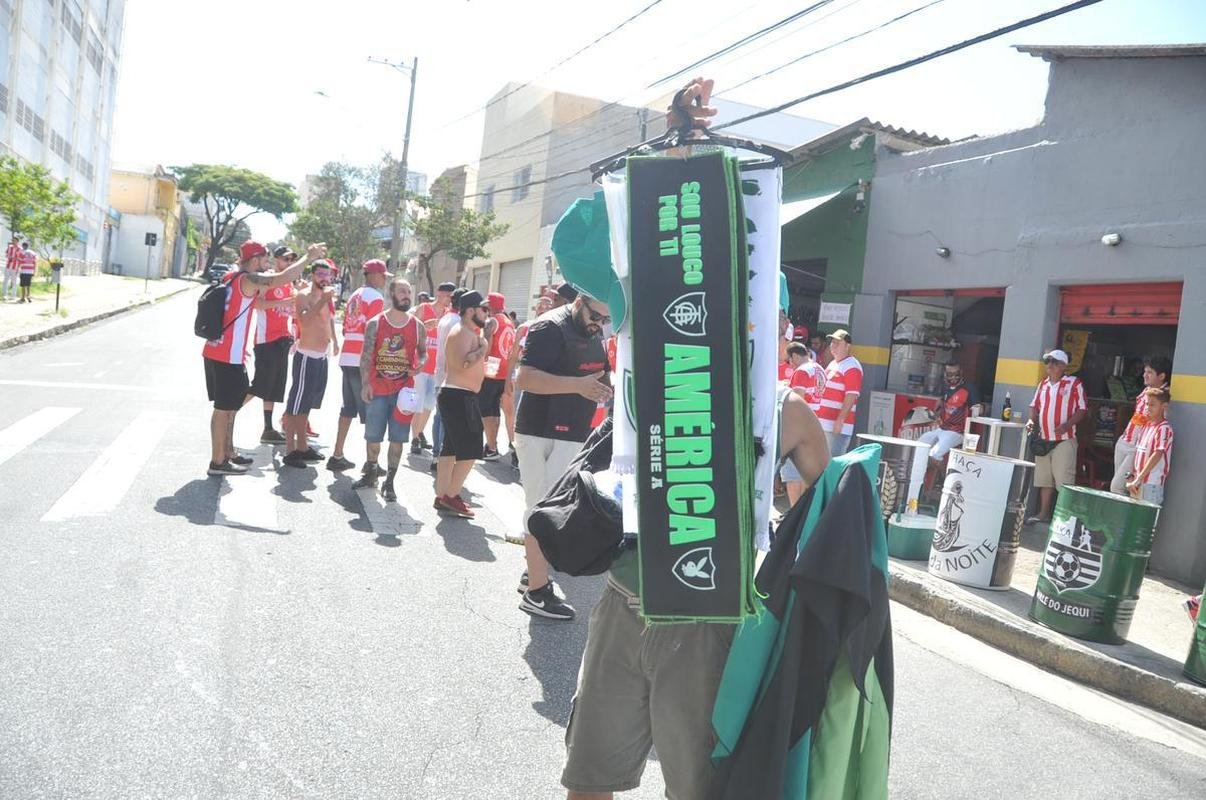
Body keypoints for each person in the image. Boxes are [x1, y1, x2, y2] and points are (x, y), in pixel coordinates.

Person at [514, 293, 612, 621]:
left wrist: (605, 390)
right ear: (579, 302)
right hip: (539, 431)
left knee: (550, 507)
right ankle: (536, 593)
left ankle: (535, 572)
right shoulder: (548, 327)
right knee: (540, 508)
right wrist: (577, 386)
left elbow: (599, 376)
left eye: (604, 320)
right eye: (595, 316)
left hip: (572, 432)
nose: (599, 325)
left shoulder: (595, 332)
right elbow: (524, 379)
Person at [203, 240, 324, 476]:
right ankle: (218, 462)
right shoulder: (247, 279)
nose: (267, 263)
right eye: (264, 259)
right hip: (226, 354)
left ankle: (227, 452)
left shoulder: (231, 276)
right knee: (223, 409)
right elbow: (280, 278)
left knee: (228, 408)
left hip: (223, 351)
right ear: (255, 259)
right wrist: (307, 258)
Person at [353, 277, 423, 502]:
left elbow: (423, 352)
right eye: (402, 291)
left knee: (398, 439)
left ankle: (390, 482)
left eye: (409, 291)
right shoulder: (376, 322)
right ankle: (371, 472)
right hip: (378, 389)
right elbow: (365, 356)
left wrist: (420, 363)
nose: (406, 295)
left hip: (404, 393)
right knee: (373, 436)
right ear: (391, 295)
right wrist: (365, 383)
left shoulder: (416, 325)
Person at [434, 290, 492, 518]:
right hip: (459, 395)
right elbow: (462, 365)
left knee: (450, 449)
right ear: (470, 311)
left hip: (461, 395)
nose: (486, 313)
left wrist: (481, 345)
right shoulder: (461, 332)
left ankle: (443, 495)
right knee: (471, 450)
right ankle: (451, 494)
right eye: (483, 309)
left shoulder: (471, 332)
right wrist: (483, 349)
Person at [328, 259, 389, 471]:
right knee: (372, 413)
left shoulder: (355, 295)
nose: (384, 279)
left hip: (347, 357)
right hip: (362, 360)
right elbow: (375, 332)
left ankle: (337, 453)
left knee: (348, 409)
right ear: (373, 275)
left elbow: (346, 328)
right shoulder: (376, 298)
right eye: (383, 275)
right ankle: (371, 464)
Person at [281, 259, 339, 469]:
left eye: (327, 274)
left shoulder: (327, 295)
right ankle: (290, 449)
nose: (324, 278)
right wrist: (323, 300)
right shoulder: (304, 295)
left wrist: (335, 340)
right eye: (320, 274)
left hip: (321, 355)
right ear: (313, 275)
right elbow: (304, 320)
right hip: (306, 356)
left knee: (308, 403)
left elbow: (328, 320)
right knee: (296, 403)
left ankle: (303, 446)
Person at [1025, 349, 1087, 524]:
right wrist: (1031, 421)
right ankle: (1043, 514)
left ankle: (1064, 519)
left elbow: (1082, 409)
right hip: (1044, 439)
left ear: (1062, 365)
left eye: (1053, 362)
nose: (1049, 366)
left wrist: (1067, 424)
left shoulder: (1074, 384)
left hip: (1064, 440)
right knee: (1045, 481)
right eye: (1047, 362)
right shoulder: (1043, 384)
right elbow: (1034, 406)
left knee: (1064, 482)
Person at [246, 246, 298, 444]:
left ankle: (268, 428)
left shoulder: (289, 284)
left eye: (292, 259)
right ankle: (229, 414)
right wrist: (283, 301)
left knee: (274, 388)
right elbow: (257, 304)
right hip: (266, 339)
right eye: (286, 259)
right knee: (260, 385)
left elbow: (289, 310)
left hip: (282, 340)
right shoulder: (268, 278)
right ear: (276, 260)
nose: (289, 263)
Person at [1111, 356, 1172, 495]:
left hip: (1137, 448)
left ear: (1162, 376)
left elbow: (1160, 422)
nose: (1144, 375)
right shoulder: (1146, 390)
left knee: (1117, 487)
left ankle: (1121, 516)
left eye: (1149, 372)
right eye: (1145, 371)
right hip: (1125, 441)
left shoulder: (1164, 395)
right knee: (1126, 484)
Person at [411, 282, 457, 455]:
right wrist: (423, 325)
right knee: (418, 404)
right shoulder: (424, 308)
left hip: (436, 369)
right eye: (447, 296)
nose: (448, 300)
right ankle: (415, 438)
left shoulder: (448, 314)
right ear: (439, 293)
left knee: (429, 405)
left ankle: (419, 433)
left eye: (451, 297)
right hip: (421, 364)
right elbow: (410, 329)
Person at [781, 341, 826, 505]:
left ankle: (794, 512)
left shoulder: (800, 371)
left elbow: (798, 401)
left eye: (789, 360)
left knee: (792, 475)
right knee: (806, 474)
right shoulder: (819, 369)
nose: (790, 365)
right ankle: (802, 513)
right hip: (816, 425)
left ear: (794, 356)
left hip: (798, 428)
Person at [917, 363, 980, 464]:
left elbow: (978, 408)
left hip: (958, 432)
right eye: (950, 374)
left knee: (934, 454)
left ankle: (942, 478)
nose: (953, 377)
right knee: (919, 445)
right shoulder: (945, 386)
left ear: (962, 372)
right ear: (945, 374)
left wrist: (978, 408)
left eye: (956, 374)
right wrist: (935, 415)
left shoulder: (969, 388)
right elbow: (939, 403)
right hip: (942, 428)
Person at [480, 291, 516, 461]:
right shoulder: (509, 322)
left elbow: (487, 345)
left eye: (487, 304)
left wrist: (479, 362)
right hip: (503, 372)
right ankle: (491, 445)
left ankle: (491, 447)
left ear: (492, 305)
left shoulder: (492, 321)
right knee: (494, 410)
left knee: (485, 410)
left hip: (490, 370)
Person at [815, 329, 863, 457]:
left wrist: (840, 420)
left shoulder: (852, 366)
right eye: (832, 343)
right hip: (824, 425)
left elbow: (852, 395)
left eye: (838, 343)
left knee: (832, 464)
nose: (833, 346)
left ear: (848, 346)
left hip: (836, 428)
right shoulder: (833, 364)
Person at [1126, 387, 1173, 506]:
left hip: (1151, 484)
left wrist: (1138, 479)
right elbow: (1138, 454)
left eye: (1152, 405)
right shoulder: (1145, 426)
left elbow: (1157, 454)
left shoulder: (1164, 428)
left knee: (1145, 523)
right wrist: (1132, 477)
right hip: (1137, 483)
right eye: (1147, 404)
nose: (1148, 407)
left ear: (1164, 406)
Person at [2, 235, 19, 301]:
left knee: (14, 282)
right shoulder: (9, 247)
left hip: (15, 267)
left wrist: (15, 258)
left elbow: (20, 257)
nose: (13, 242)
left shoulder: (20, 249)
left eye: (14, 241)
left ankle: (13, 296)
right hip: (8, 266)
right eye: (12, 241)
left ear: (17, 241)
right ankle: (4, 295)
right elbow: (6, 254)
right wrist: (9, 257)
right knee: (5, 281)